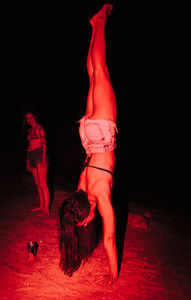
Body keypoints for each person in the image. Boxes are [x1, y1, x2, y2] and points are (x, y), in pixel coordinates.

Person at [59, 4, 118, 286]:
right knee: (93, 73)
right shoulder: (80, 189)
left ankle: (102, 20)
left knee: (101, 69)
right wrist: (80, 218)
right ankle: (95, 25)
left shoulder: (100, 195)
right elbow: (76, 212)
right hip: (87, 136)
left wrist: (113, 274)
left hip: (104, 133)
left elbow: (108, 237)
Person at [24, 111, 50, 215]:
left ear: (35, 117)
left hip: (39, 154)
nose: (29, 120)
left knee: (43, 183)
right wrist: (27, 160)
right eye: (27, 119)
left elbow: (44, 144)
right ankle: (41, 205)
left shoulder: (40, 128)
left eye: (31, 118)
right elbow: (28, 146)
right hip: (31, 156)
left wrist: (43, 159)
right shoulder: (30, 130)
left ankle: (46, 208)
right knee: (38, 183)